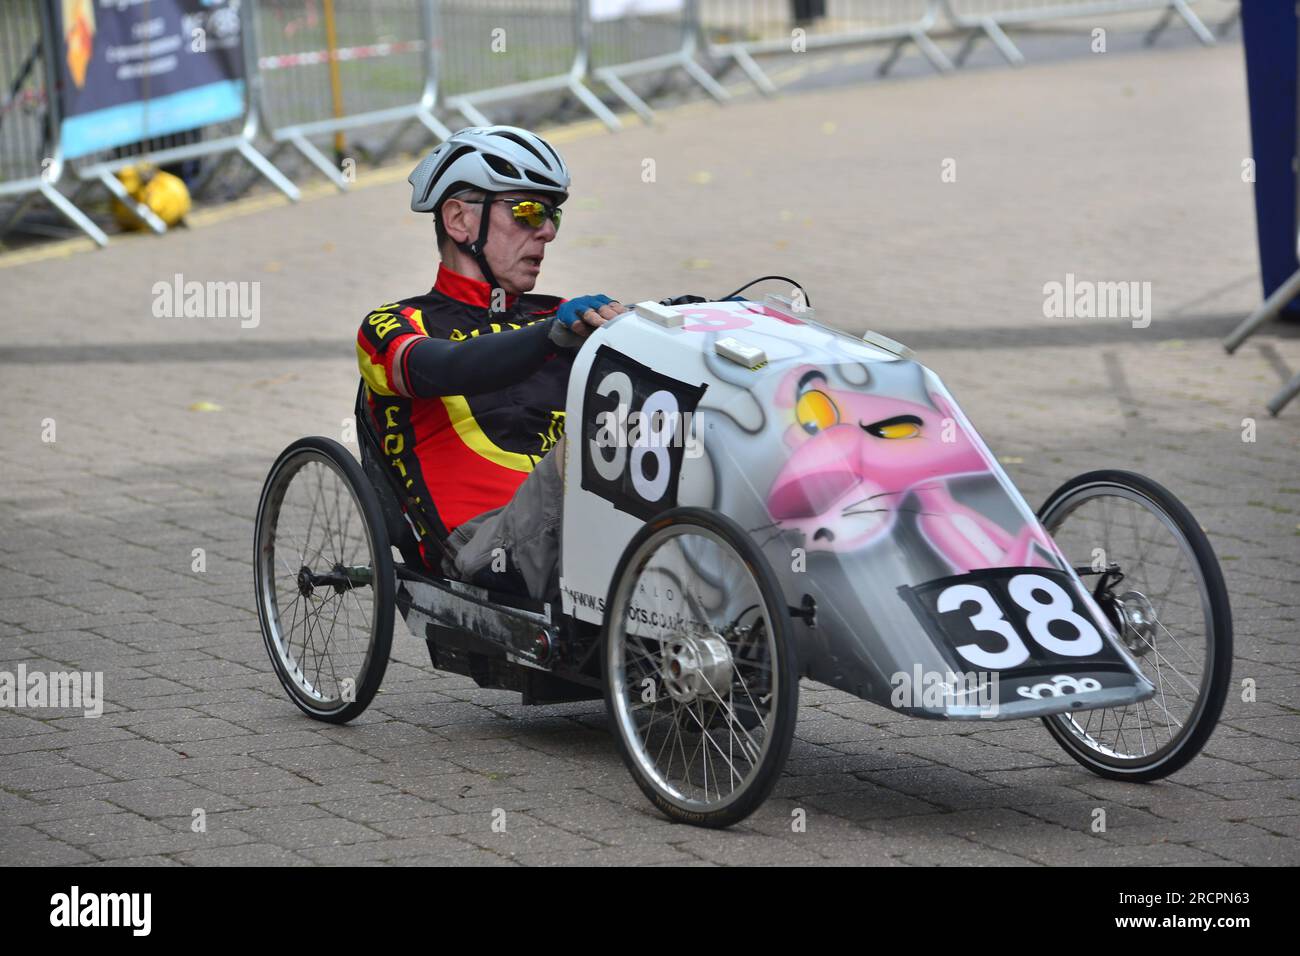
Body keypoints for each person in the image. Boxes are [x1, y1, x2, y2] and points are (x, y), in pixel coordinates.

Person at [356, 126, 626, 602]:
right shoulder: (396, 323)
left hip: (585, 521)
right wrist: (550, 338)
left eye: (552, 215)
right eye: (527, 211)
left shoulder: (555, 312)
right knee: (614, 438)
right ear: (459, 220)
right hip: (485, 545)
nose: (546, 230)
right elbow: (446, 368)